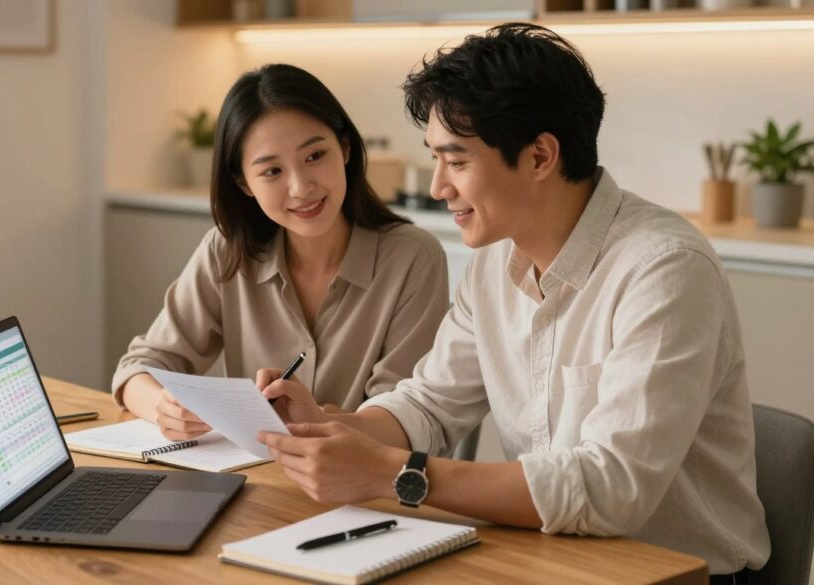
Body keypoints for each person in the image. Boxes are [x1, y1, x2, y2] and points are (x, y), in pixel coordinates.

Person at [256, 24, 770, 582]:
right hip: (555, 560)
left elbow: (611, 488)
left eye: (455, 161)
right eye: (435, 159)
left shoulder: (664, 268)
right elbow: (429, 405)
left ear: (540, 156)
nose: (437, 187)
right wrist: (337, 429)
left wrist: (395, 474)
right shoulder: (493, 268)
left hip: (677, 575)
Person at [112, 64, 450, 443]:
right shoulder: (227, 252)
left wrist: (316, 421)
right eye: (272, 171)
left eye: (315, 156)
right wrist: (164, 406)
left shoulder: (412, 259)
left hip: (363, 491)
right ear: (244, 183)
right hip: (254, 483)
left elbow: (404, 419)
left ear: (345, 148)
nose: (300, 187)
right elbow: (138, 368)